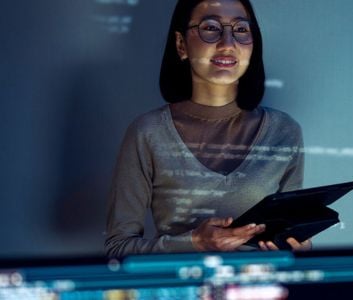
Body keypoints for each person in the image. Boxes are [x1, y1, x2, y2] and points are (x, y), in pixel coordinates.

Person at [105, 0, 311, 257]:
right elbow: (118, 248)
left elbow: (293, 235)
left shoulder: (285, 131)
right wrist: (194, 242)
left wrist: (299, 246)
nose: (228, 43)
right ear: (181, 45)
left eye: (241, 30)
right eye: (211, 28)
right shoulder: (147, 133)